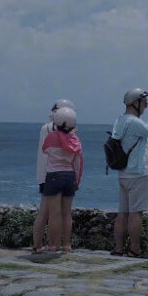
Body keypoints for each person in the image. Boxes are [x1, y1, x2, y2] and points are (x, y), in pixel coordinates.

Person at [111, 87, 148, 257]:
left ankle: (119, 248)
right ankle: (134, 249)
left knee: (123, 213)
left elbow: (145, 133)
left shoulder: (120, 121)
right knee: (136, 213)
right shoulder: (134, 122)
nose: (145, 105)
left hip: (124, 173)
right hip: (139, 173)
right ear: (135, 103)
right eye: (144, 103)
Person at [33, 98, 74, 253]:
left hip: (44, 174)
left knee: (44, 212)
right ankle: (56, 245)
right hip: (54, 173)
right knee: (55, 213)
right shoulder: (56, 129)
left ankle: (37, 245)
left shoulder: (46, 127)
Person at [41, 106, 83, 253]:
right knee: (67, 213)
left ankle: (53, 245)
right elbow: (77, 163)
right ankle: (66, 245)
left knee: (54, 214)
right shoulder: (75, 140)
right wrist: (77, 181)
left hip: (54, 175)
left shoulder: (51, 137)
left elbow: (45, 150)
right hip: (69, 176)